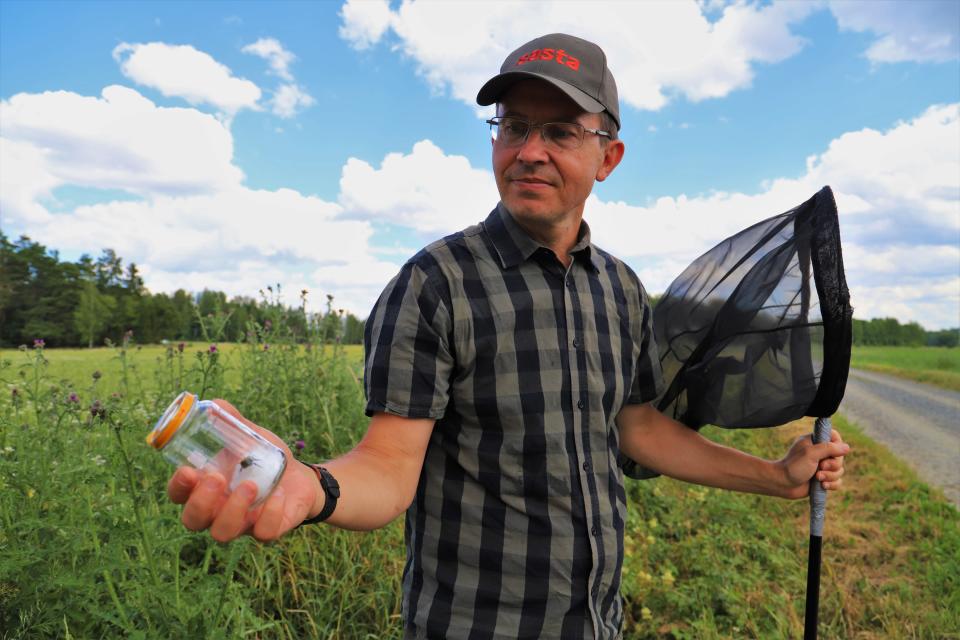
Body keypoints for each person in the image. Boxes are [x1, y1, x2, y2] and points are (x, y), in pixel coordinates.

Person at [167, 33, 849, 640]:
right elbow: (386, 468)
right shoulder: (435, 286)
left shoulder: (620, 290)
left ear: (608, 156)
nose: (529, 152)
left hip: (597, 620)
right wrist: (313, 488)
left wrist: (776, 477)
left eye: (558, 131)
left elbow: (639, 431)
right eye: (513, 127)